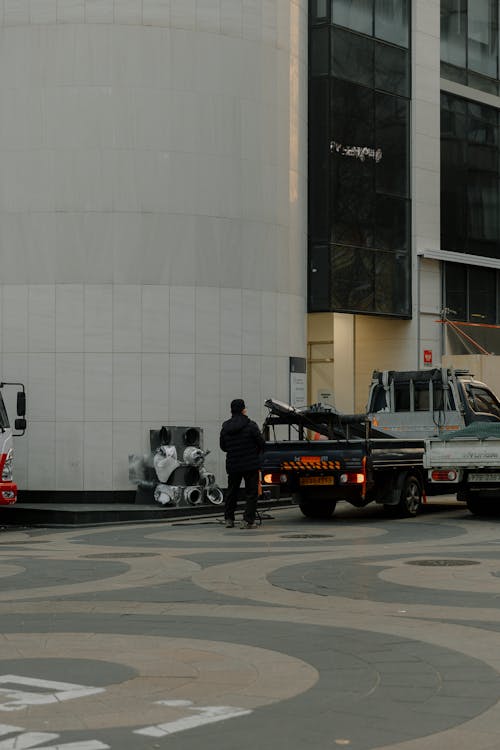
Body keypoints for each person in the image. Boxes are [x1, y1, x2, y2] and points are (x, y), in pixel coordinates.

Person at [219, 398, 265, 529]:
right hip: (250, 465)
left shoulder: (225, 427)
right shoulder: (251, 425)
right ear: (244, 410)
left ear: (231, 410)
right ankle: (248, 521)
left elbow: (223, 446)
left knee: (232, 492)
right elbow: (261, 443)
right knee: (251, 492)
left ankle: (229, 519)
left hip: (233, 465)